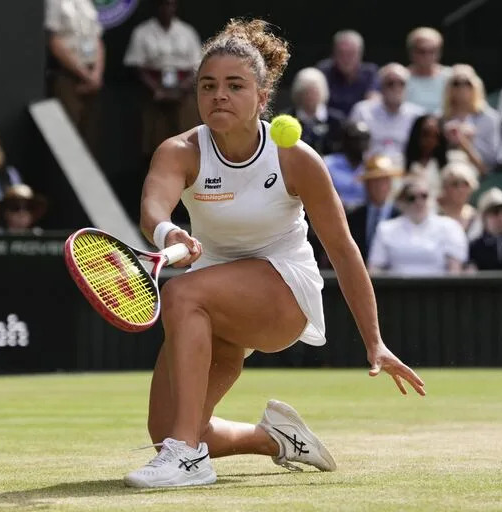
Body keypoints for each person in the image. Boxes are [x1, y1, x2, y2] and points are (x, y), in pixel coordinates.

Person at [126, 19, 425, 489]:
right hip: (219, 298)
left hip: (283, 293)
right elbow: (153, 207)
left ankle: (187, 459)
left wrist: (375, 341)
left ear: (262, 98)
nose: (219, 95)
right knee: (165, 430)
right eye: (208, 86)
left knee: (182, 295)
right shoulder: (180, 151)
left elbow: (343, 251)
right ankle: (276, 439)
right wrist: (168, 233)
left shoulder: (295, 158)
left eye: (234, 85)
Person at [124, 0, 202, 158]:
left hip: (183, 94)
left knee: (189, 143)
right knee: (154, 144)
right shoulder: (142, 32)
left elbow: (197, 66)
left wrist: (180, 89)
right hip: (154, 94)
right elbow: (136, 66)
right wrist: (157, 90)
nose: (167, 8)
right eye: (163, 4)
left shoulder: (187, 32)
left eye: (171, 4)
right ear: (156, 6)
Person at [368, 176, 468, 275]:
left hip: (438, 289)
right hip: (397, 289)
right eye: (412, 198)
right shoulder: (385, 229)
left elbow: (455, 270)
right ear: (402, 201)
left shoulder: (450, 226)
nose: (418, 202)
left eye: (424, 196)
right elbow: (374, 269)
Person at [45, 0, 105, 156]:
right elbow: (54, 41)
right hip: (68, 75)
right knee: (69, 135)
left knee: (91, 136)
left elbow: (97, 39)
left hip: (92, 76)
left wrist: (96, 74)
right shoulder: (54, 3)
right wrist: (84, 74)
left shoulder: (87, 3)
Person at [349, 63, 424, 167]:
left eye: (401, 83)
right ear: (381, 86)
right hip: (369, 172)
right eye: (390, 83)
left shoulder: (418, 116)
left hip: (405, 172)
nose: (396, 88)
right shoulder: (362, 111)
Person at [441, 64, 501, 174]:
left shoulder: (490, 118)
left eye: (467, 83)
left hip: (480, 177)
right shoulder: (440, 118)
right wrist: (446, 140)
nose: (462, 88)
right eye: (456, 83)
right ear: (448, 88)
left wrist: (467, 141)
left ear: (476, 85)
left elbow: (491, 162)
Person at [345, 155, 402, 262]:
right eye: (373, 181)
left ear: (390, 184)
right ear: (366, 185)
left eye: (383, 181)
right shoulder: (353, 217)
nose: (378, 186)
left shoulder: (401, 216)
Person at [316, 30, 380, 116]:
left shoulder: (370, 72)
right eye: (341, 53)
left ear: (360, 54)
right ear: (333, 54)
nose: (346, 59)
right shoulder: (323, 71)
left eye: (351, 54)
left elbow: (373, 103)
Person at [284, 67, 345, 156]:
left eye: (314, 92)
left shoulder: (336, 120)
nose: (310, 97)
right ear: (298, 93)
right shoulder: (287, 119)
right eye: (306, 92)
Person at [323, 121, 371, 211]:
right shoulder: (328, 164)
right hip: (335, 212)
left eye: (365, 139)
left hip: (366, 218)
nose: (361, 144)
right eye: (356, 139)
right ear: (345, 141)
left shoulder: (373, 166)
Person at [404, 27, 451, 114]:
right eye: (422, 51)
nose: (427, 56)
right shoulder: (398, 78)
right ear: (411, 52)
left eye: (432, 51)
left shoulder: (452, 78)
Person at [404, 114, 448, 195]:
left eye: (435, 136)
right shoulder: (401, 163)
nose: (430, 140)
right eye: (425, 134)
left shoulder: (445, 167)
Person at [436, 161, 479, 233]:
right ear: (445, 187)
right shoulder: (435, 214)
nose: (461, 189)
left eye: (466, 184)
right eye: (455, 184)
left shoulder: (476, 217)